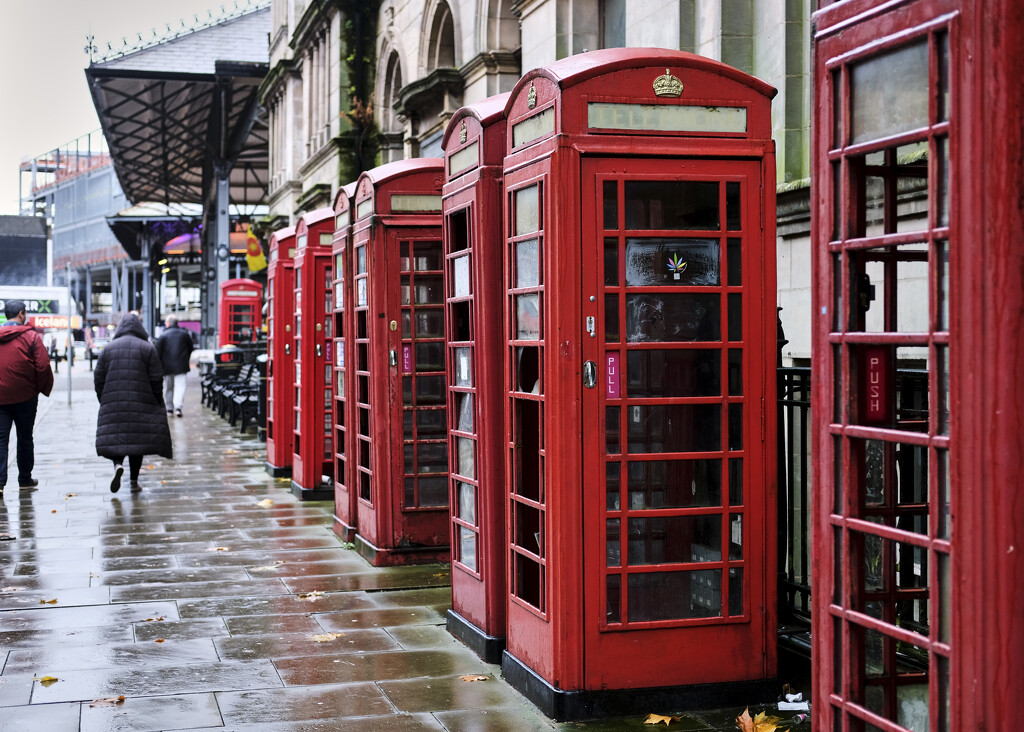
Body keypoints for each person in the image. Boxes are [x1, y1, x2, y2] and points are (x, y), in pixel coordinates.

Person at [94, 313, 172, 493]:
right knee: (137, 441)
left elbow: (98, 377)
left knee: (117, 438)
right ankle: (134, 482)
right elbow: (156, 378)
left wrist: (103, 398)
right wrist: (156, 400)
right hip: (142, 402)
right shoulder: (147, 348)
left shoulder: (108, 348)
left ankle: (117, 466)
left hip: (113, 403)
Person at [0, 300, 54, 496]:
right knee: (25, 437)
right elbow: (42, 366)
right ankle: (24, 479)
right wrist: (38, 388)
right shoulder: (30, 336)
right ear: (21, 314)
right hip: (25, 397)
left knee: (0, 440)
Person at [154, 315, 194, 418]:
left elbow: (158, 352)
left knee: (169, 388)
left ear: (168, 323)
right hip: (181, 366)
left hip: (167, 367)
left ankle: (169, 409)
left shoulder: (163, 335)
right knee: (180, 387)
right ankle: (178, 408)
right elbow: (191, 348)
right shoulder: (184, 334)